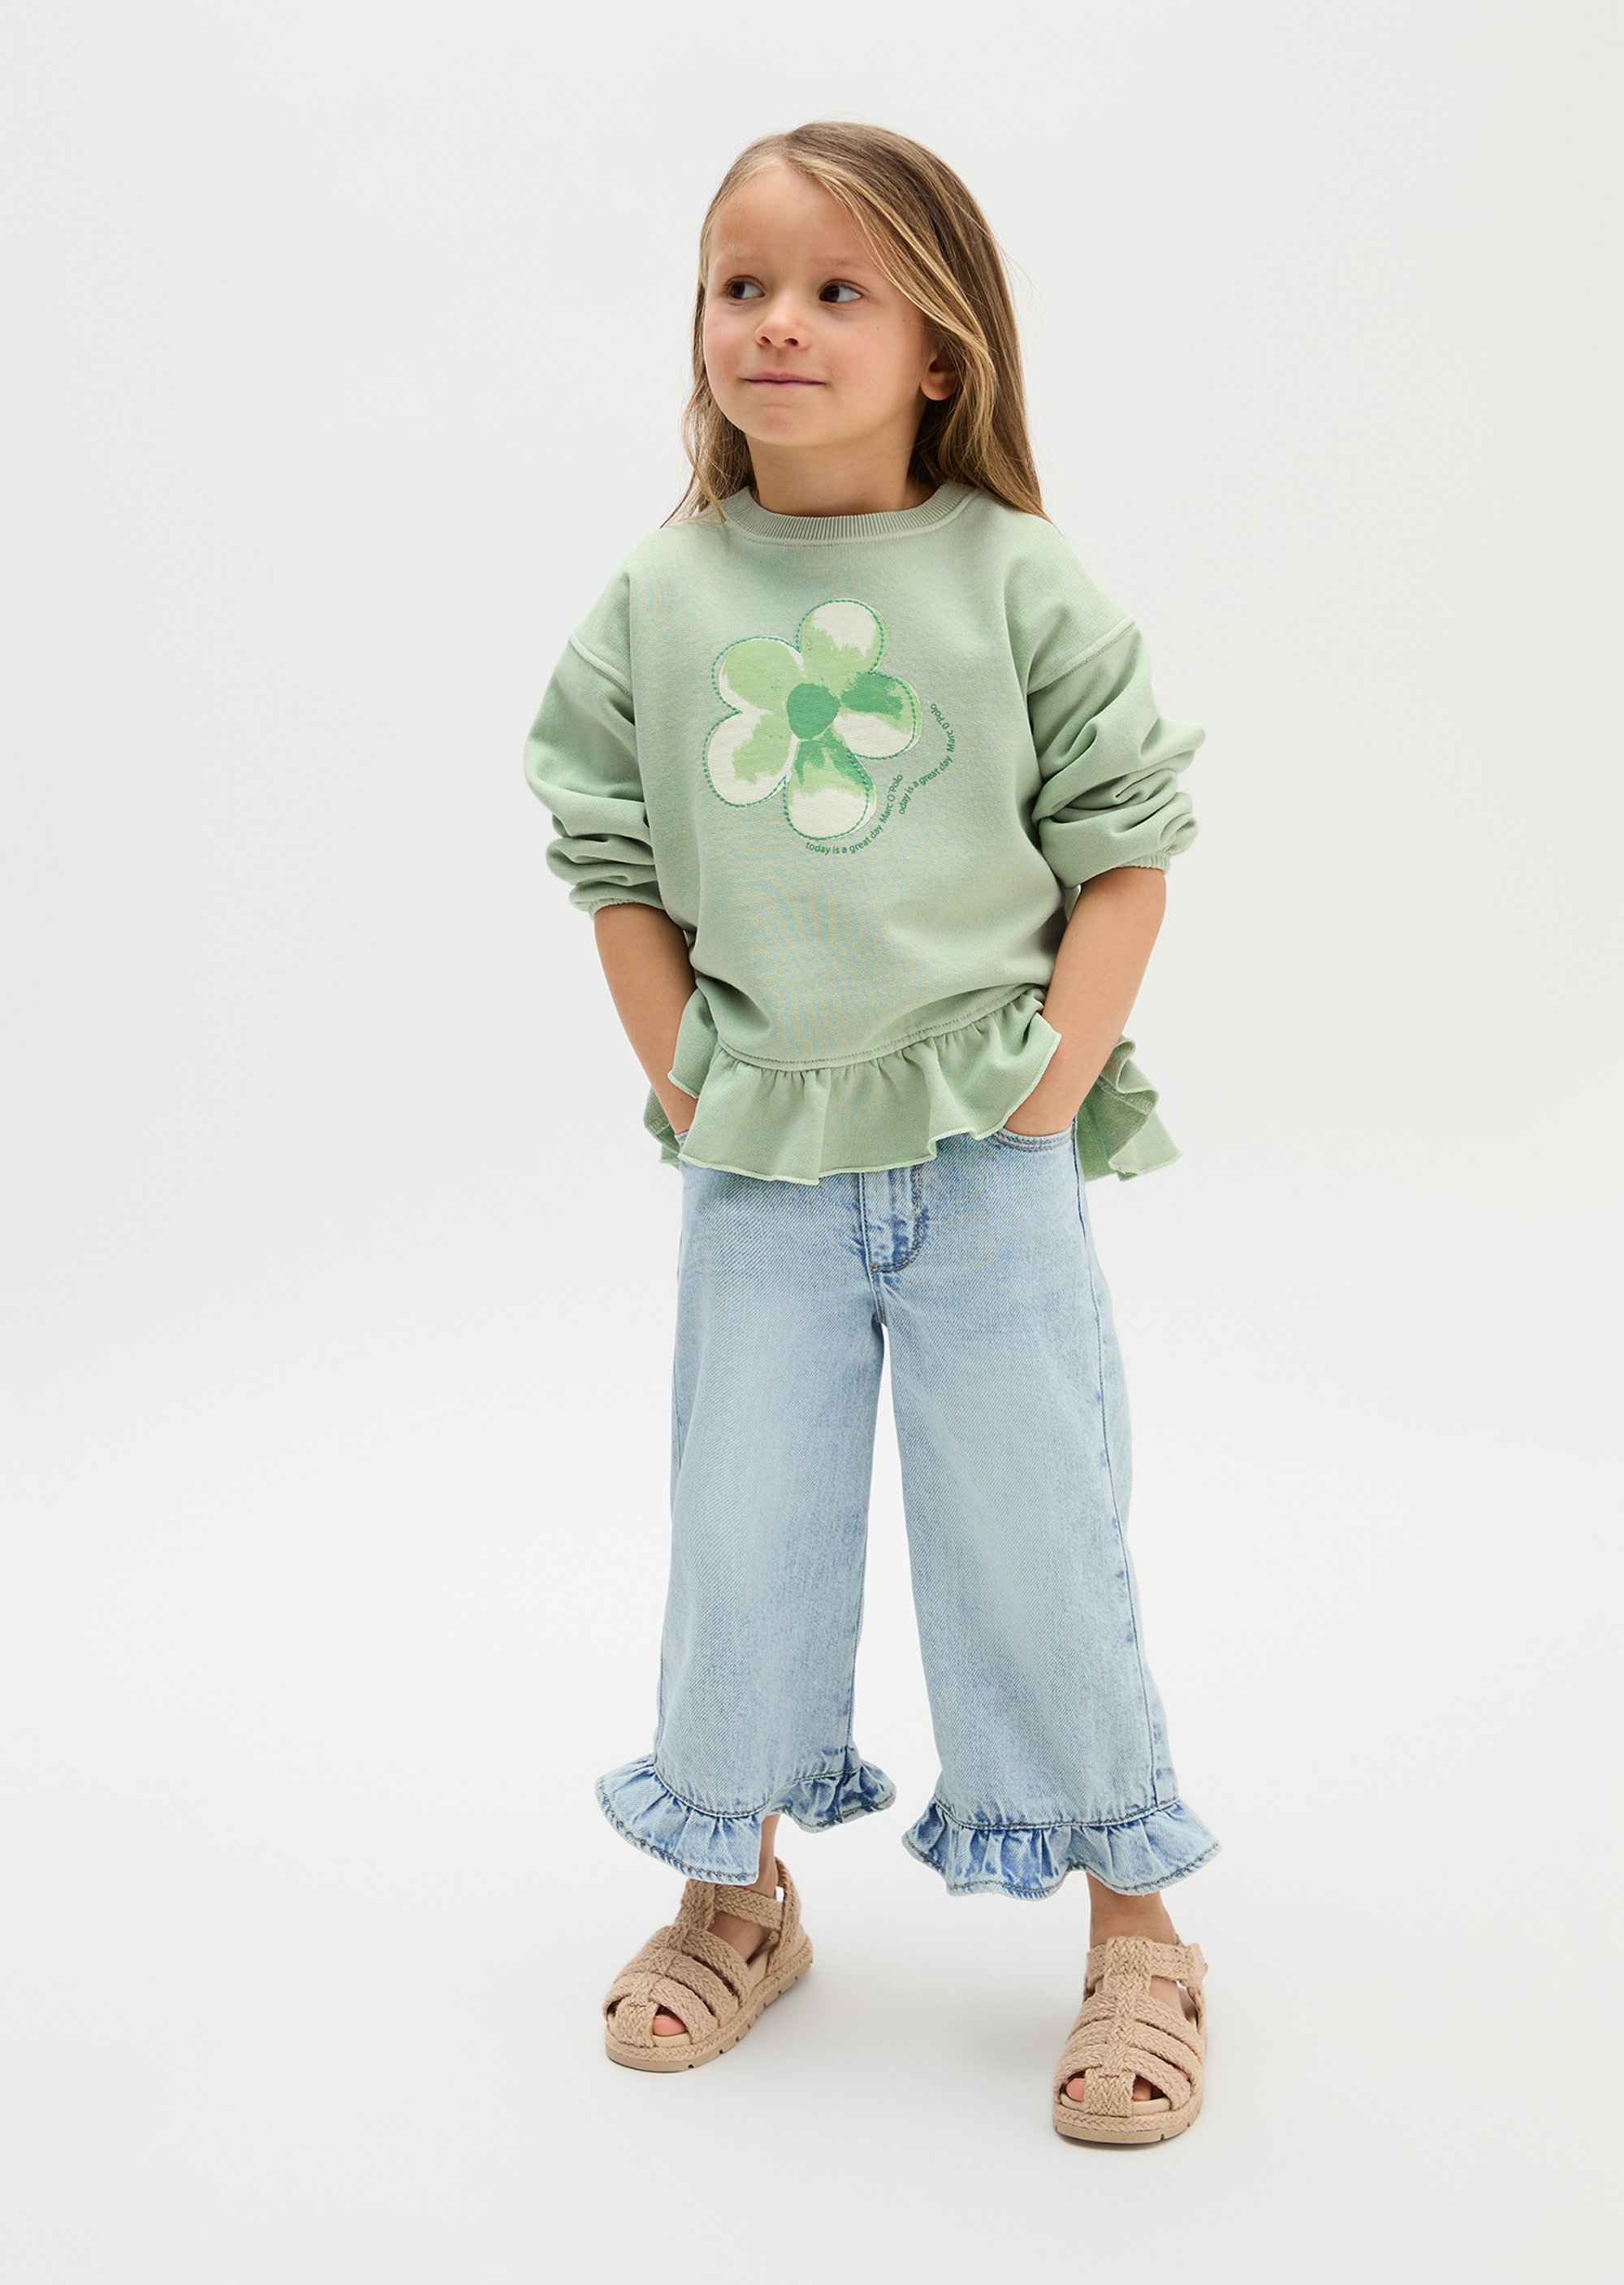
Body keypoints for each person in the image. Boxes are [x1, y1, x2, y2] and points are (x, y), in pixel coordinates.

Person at [521, 119, 1219, 2145]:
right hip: (759, 1162)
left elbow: (1127, 842)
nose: (777, 324)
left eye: (837, 290)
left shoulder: (1013, 576)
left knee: (1037, 1535)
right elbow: (608, 851)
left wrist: (1054, 1076)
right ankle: (733, 1894)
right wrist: (681, 1071)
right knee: (742, 1525)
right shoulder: (661, 592)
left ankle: (1137, 1921)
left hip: (989, 1145)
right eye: (740, 286)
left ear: (939, 350)